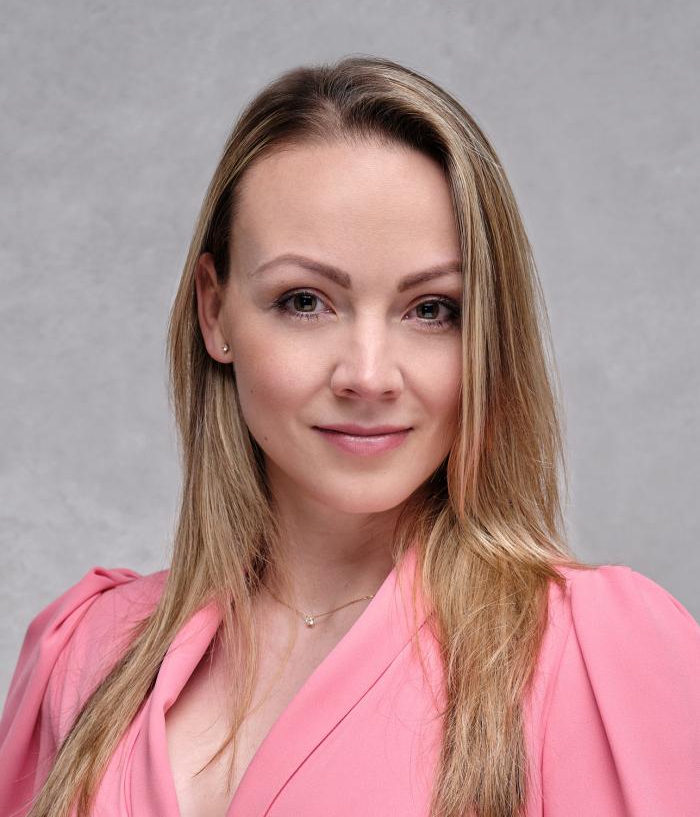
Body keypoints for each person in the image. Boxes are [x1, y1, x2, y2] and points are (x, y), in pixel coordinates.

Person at [1, 55, 699, 817]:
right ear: (214, 310)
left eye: (432, 310)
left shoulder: (596, 656)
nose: (368, 376)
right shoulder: (84, 654)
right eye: (305, 301)